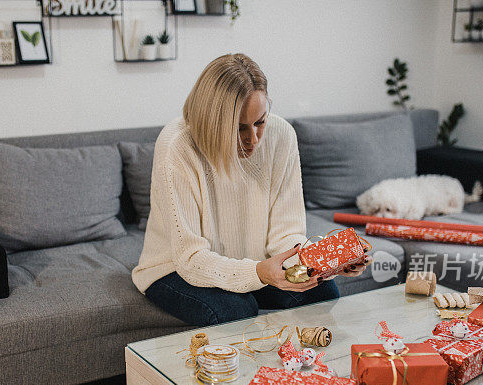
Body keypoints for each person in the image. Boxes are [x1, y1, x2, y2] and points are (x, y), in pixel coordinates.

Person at [132, 53, 369, 326]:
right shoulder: (177, 146)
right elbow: (190, 259)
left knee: (323, 291)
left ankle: (295, 365)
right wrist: (258, 274)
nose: (253, 139)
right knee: (236, 308)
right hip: (176, 269)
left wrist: (327, 262)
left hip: (257, 265)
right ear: (212, 121)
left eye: (260, 122)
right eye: (239, 128)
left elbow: (286, 234)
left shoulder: (282, 136)